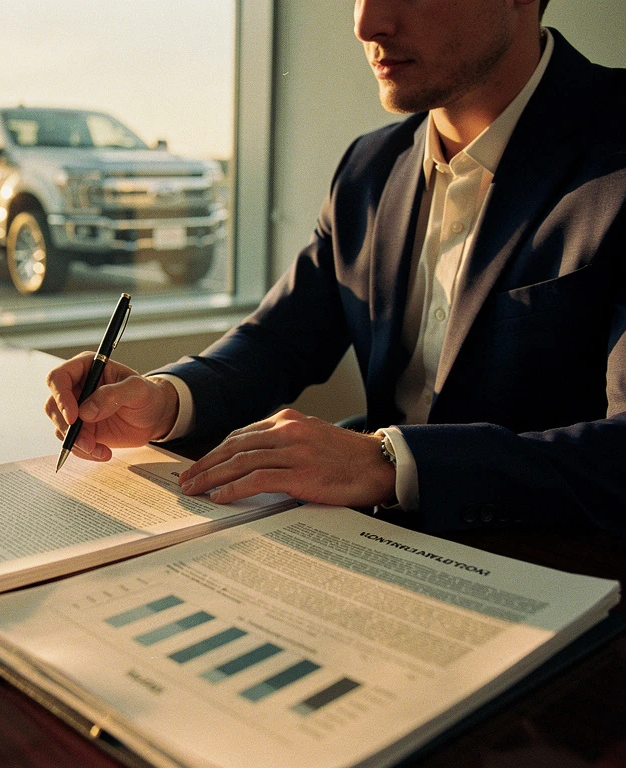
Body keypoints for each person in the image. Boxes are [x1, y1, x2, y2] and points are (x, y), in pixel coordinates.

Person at [45, 0, 626, 534]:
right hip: (368, 546)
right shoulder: (370, 168)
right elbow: (279, 341)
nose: (366, 22)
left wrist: (386, 462)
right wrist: (166, 399)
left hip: (558, 568)